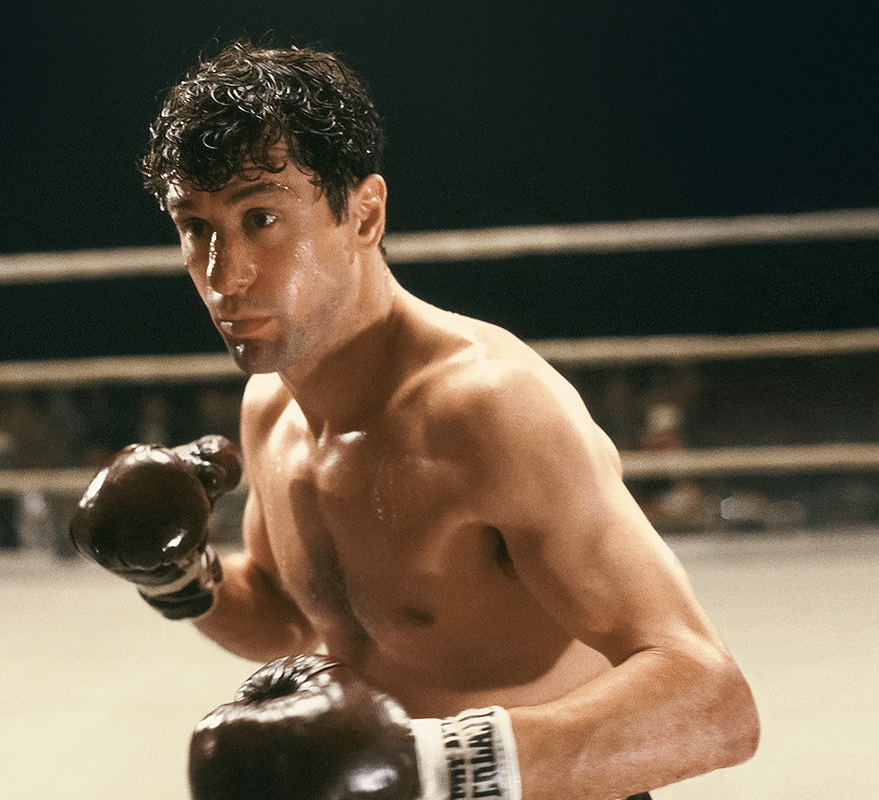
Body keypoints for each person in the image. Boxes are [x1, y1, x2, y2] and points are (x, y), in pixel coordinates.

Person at [72, 41, 759, 800]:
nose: (222, 274)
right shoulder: (272, 405)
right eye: (196, 227)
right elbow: (289, 620)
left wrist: (422, 763)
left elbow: (713, 702)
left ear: (364, 215)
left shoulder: (490, 411)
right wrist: (180, 576)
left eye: (261, 218)